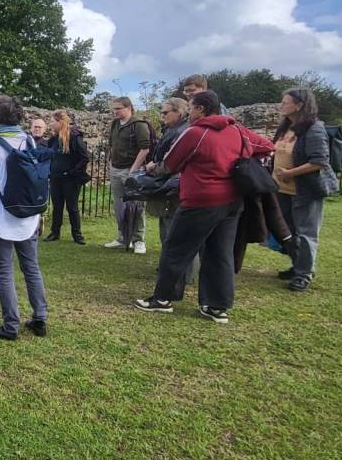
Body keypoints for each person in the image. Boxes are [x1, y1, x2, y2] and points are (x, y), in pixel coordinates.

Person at [134, 90, 274, 323]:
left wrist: (152, 168)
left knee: (176, 248)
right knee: (220, 253)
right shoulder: (238, 130)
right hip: (232, 201)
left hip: (201, 201)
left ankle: (163, 298)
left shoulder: (196, 133)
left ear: (200, 109)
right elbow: (267, 146)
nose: (188, 113)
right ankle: (216, 306)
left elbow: (170, 165)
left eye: (191, 108)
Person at [0, 94, 48, 340]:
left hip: (0, 215)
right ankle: (40, 317)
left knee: (4, 270)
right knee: (31, 267)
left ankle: (10, 325)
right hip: (28, 214)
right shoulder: (29, 140)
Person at [272, 88, 339, 292]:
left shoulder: (314, 129)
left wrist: (290, 173)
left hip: (304, 190)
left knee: (305, 233)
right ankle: (297, 265)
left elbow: (318, 162)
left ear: (299, 105)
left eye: (285, 103)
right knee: (289, 232)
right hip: (281, 189)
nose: (281, 106)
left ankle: (304, 274)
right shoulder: (285, 128)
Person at [146, 98, 197, 282]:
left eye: (166, 112)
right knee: (167, 228)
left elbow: (173, 163)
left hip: (176, 187)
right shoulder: (173, 130)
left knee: (177, 232)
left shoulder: (183, 132)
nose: (162, 116)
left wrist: (154, 166)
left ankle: (181, 275)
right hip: (169, 186)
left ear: (180, 112)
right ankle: (171, 269)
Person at [105, 97, 151, 254]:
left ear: (129, 107)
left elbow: (145, 148)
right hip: (116, 169)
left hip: (131, 170)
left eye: (118, 108)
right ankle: (123, 237)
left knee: (136, 205)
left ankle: (139, 240)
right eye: (114, 109)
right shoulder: (115, 124)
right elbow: (111, 145)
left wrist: (133, 170)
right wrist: (111, 163)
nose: (115, 111)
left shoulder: (139, 125)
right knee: (119, 205)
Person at [43, 109, 88, 244]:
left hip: (70, 179)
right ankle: (55, 232)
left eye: (53, 121)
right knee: (57, 206)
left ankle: (77, 235)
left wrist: (72, 172)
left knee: (72, 207)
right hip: (55, 177)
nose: (51, 124)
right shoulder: (53, 139)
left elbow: (84, 157)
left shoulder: (74, 137)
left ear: (60, 122)